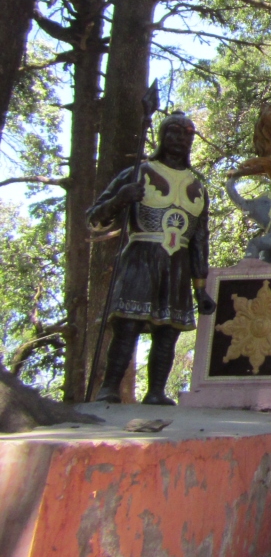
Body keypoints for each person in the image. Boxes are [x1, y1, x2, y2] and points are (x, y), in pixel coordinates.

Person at [88, 112, 214, 404]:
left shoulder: (198, 186)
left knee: (169, 330)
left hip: (178, 264)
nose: (180, 139)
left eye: (187, 134)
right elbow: (94, 219)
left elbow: (200, 240)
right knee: (128, 324)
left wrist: (200, 288)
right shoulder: (138, 172)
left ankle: (156, 391)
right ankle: (109, 387)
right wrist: (120, 198)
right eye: (174, 132)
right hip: (141, 257)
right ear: (161, 136)